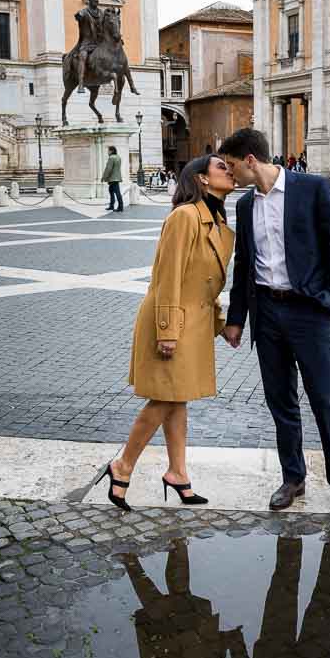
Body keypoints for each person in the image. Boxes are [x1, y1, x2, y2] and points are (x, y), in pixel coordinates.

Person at [220, 127, 330, 517]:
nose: (231, 176)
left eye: (232, 167)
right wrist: (236, 319)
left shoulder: (313, 189)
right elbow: (245, 264)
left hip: (308, 312)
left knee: (324, 401)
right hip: (267, 314)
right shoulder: (246, 206)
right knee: (281, 402)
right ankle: (293, 477)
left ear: (250, 160)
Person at [95, 154, 236, 510]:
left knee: (177, 398)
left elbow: (205, 286)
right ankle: (122, 464)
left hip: (194, 322)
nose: (230, 171)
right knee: (164, 398)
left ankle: (178, 473)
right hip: (173, 321)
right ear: (201, 179)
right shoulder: (184, 217)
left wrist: (220, 325)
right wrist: (167, 331)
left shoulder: (217, 222)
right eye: (222, 167)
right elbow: (168, 277)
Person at [102, 145, 123, 212]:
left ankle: (120, 207)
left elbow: (108, 169)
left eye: (108, 150)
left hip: (113, 178)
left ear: (111, 151)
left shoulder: (111, 158)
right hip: (117, 178)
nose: (107, 152)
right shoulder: (118, 157)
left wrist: (104, 177)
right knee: (112, 191)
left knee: (116, 192)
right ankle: (112, 205)